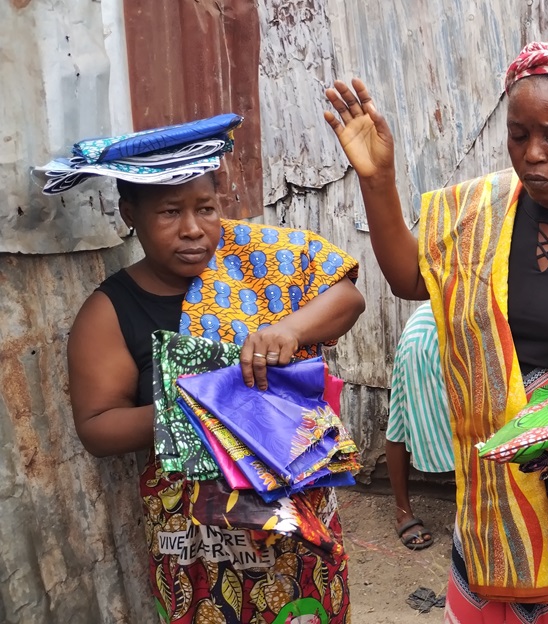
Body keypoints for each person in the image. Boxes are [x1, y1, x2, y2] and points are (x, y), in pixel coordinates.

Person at [324, 41, 548, 623]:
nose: (533, 154)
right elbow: (407, 279)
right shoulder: (484, 212)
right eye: (518, 135)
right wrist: (379, 179)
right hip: (497, 484)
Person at [67, 162, 365, 622]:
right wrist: (205, 406)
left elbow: (347, 298)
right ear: (130, 214)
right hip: (197, 545)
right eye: (169, 213)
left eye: (205, 209)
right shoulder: (111, 310)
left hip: (297, 523)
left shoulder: (259, 260)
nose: (192, 230)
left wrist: (288, 328)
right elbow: (96, 427)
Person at [385, 302, 454, 550]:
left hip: (473, 327)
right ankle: (402, 512)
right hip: (431, 330)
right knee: (401, 420)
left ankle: (470, 511)